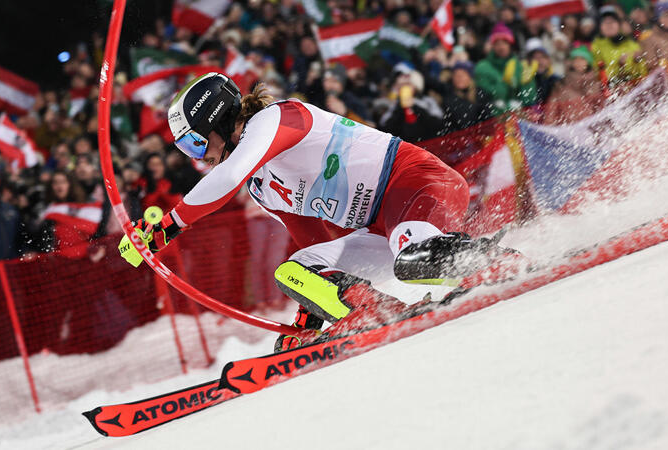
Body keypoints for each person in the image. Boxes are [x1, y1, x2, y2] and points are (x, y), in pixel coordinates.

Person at [121, 72, 511, 351]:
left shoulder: (276, 118)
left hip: (417, 184)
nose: (198, 157)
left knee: (413, 258)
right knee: (294, 270)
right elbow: (314, 243)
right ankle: (372, 309)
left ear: (217, 120)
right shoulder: (261, 185)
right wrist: (313, 308)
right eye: (186, 150)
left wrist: (167, 227)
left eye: (194, 143)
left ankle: (498, 263)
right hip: (378, 229)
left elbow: (229, 175)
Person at [591, 6, 648, 85]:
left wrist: (637, 61)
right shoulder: (596, 46)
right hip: (612, 87)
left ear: (619, 24)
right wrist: (620, 66)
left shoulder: (631, 44)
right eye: (605, 22)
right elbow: (598, 75)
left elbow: (642, 74)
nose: (609, 25)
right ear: (600, 27)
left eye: (612, 21)